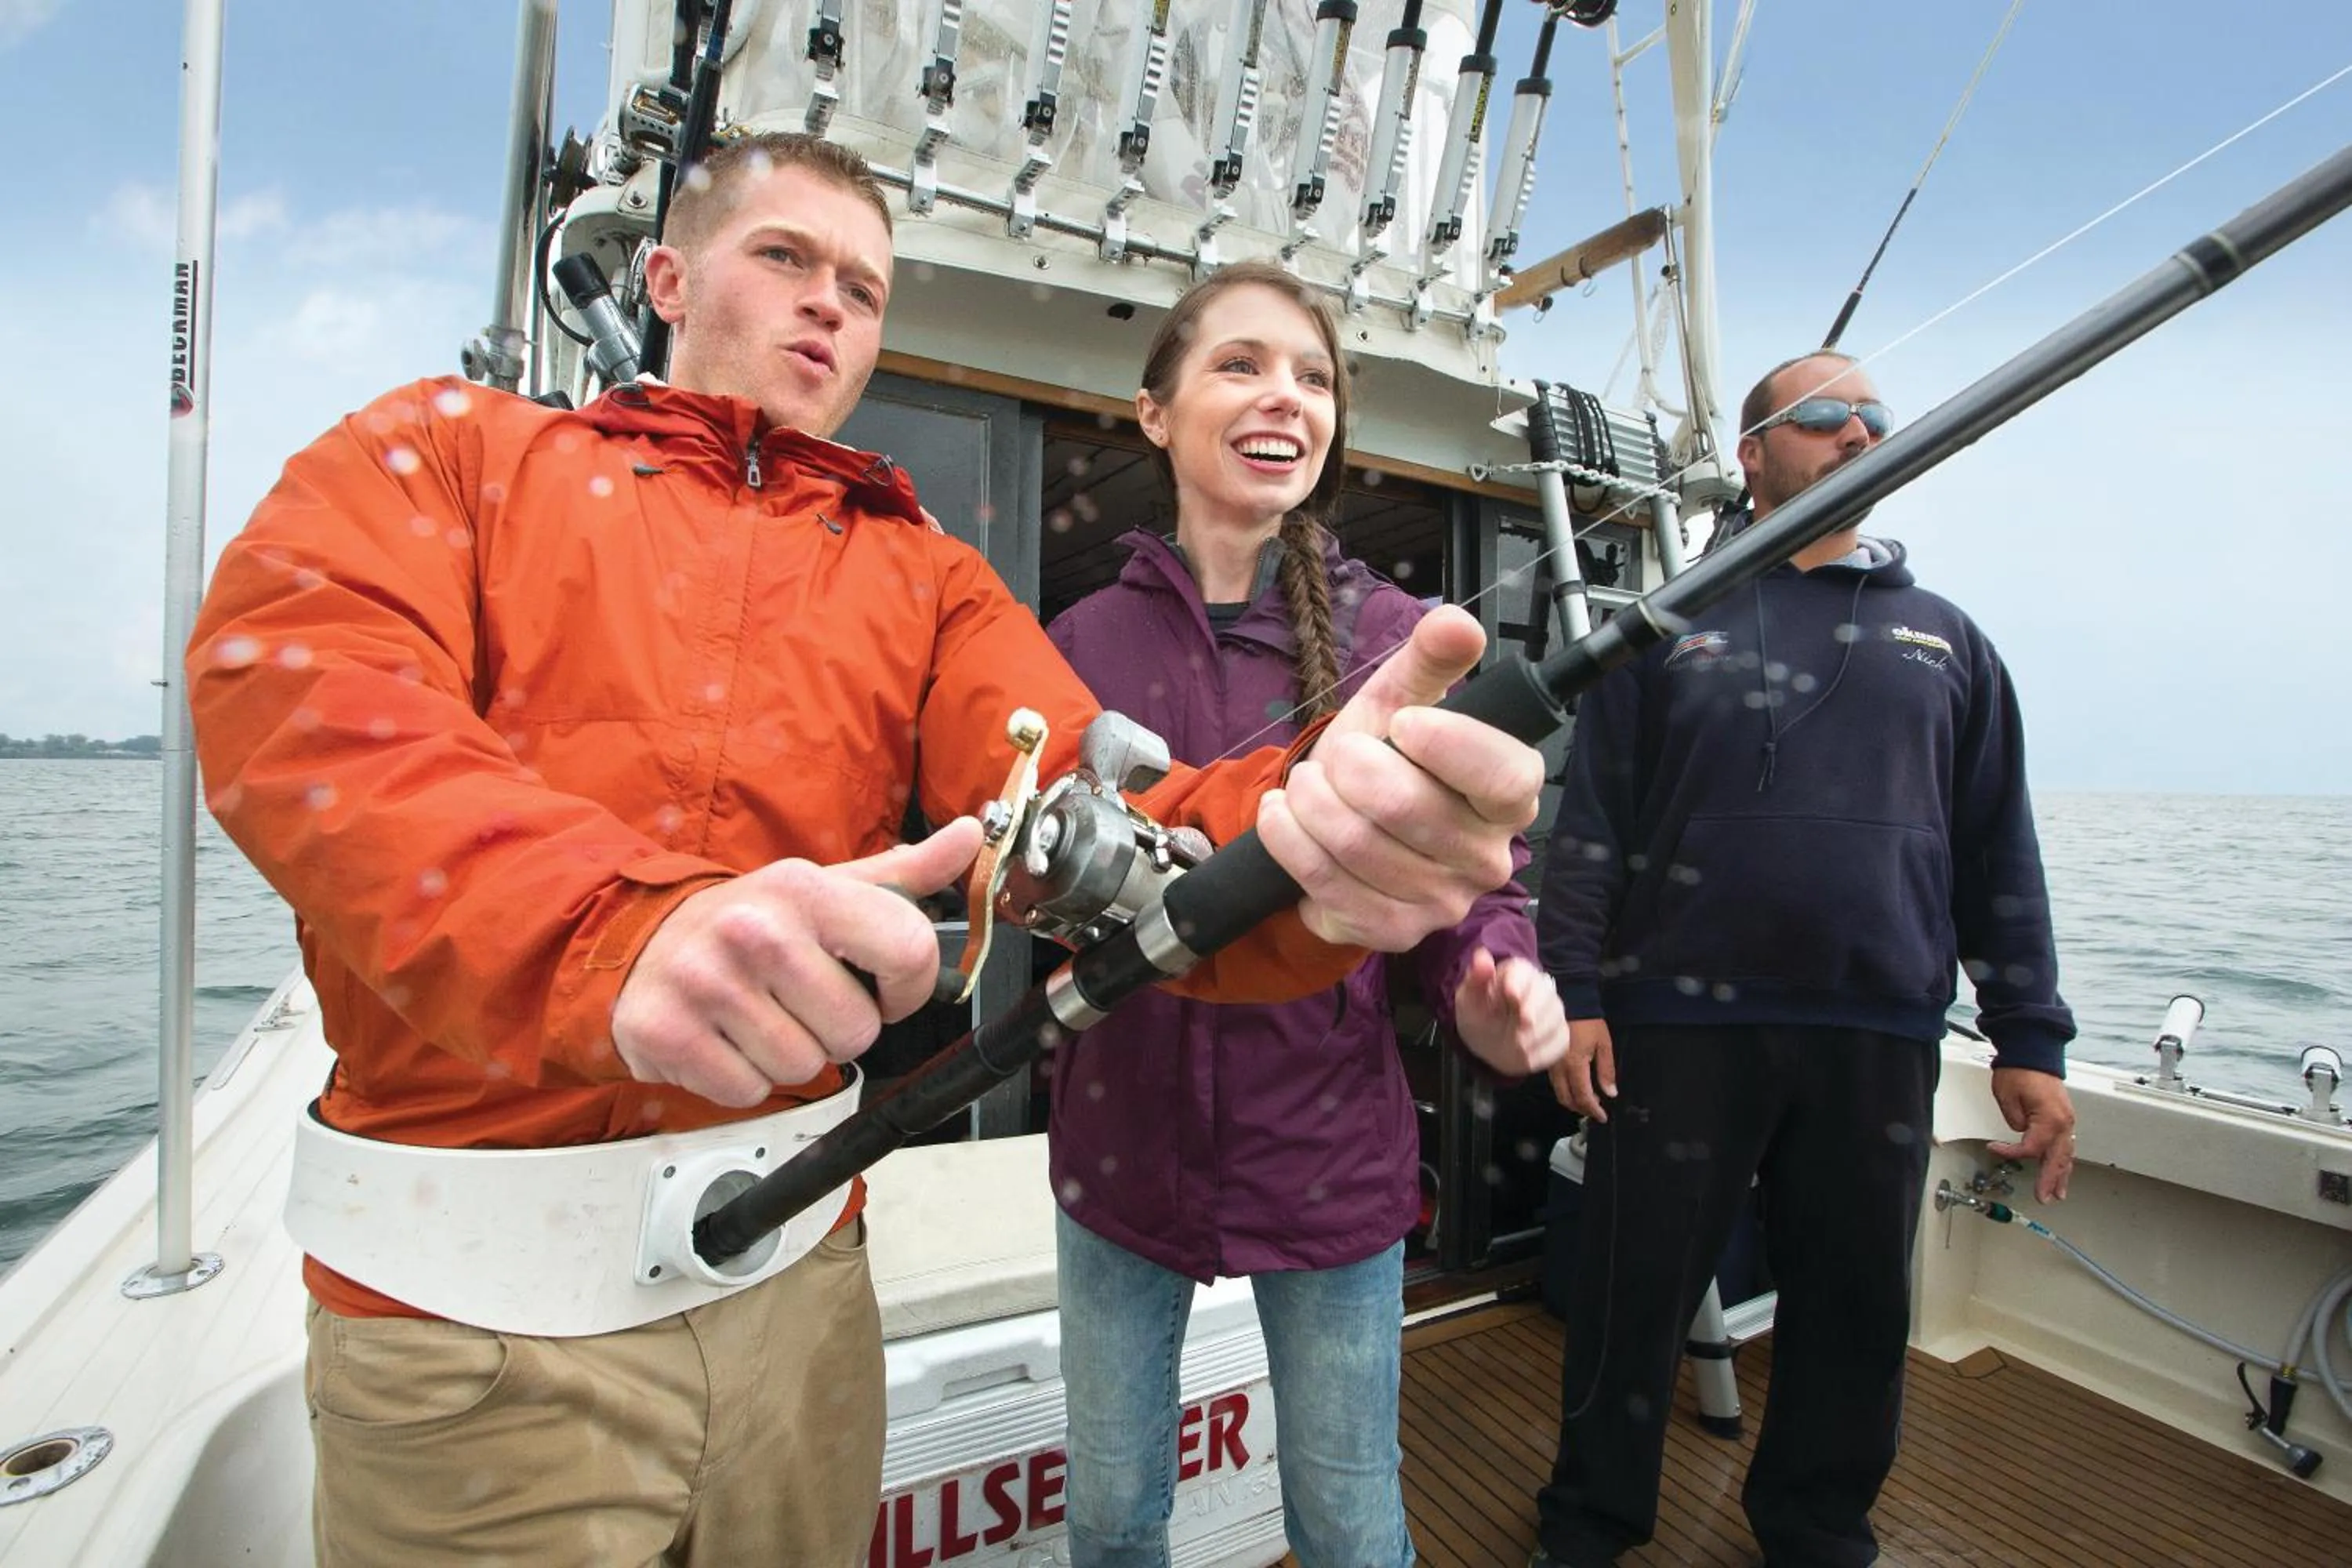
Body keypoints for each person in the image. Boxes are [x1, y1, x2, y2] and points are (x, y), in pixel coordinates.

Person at [185, 132, 1546, 1568]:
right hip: (469, 1334)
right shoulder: (452, 456)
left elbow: (1090, 819)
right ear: (665, 276)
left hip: (803, 1312)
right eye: (785, 259)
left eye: (864, 286)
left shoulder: (928, 576)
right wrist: (610, 931)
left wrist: (1305, 852)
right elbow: (306, 686)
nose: (828, 303)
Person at [1042, 261, 1573, 1568]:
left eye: (1314, 376)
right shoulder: (1076, 639)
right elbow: (1026, 864)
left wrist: (1494, 975)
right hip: (1119, 1153)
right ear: (1154, 412)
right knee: (1112, 1519)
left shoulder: (1397, 641)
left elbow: (1465, 885)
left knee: (1346, 1520)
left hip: (1331, 1156)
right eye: (1241, 365)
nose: (1287, 396)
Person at [1527, 350, 2080, 1568]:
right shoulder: (1665, 627)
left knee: (1854, 1309)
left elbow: (2000, 854)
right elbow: (1593, 830)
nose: (1858, 430)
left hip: (1878, 1033)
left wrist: (2030, 1041)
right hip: (1672, 1024)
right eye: (1825, 414)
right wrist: (1573, 995)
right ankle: (1588, 1524)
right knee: (1632, 1303)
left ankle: (1818, 1529)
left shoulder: (1954, 644)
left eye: (1877, 417)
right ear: (1754, 453)